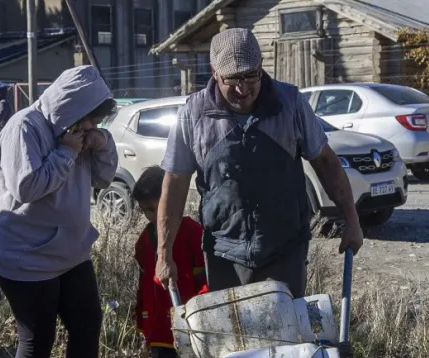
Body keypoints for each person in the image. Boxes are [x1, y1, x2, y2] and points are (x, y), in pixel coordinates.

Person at [155, 28, 364, 297]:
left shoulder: (290, 104)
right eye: (232, 78)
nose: (242, 89)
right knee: (231, 325)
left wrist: (352, 220)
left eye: (250, 76)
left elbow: (326, 162)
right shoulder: (193, 114)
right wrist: (164, 253)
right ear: (214, 71)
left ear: (261, 66)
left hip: (284, 249)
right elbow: (174, 184)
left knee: (284, 322)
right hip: (223, 253)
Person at [0, 65, 118, 358]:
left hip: (72, 253)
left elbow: (103, 179)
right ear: (70, 108)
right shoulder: (24, 127)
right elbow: (27, 188)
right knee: (37, 346)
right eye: (90, 119)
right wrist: (66, 152)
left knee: (87, 326)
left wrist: (102, 144)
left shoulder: (79, 131)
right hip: (27, 256)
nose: (92, 125)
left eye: (96, 121)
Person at [132, 166, 207, 358]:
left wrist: (199, 312)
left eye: (154, 209)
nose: (150, 217)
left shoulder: (192, 232)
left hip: (190, 323)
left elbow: (203, 278)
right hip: (160, 325)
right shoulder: (145, 240)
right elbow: (144, 283)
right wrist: (143, 317)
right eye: (145, 211)